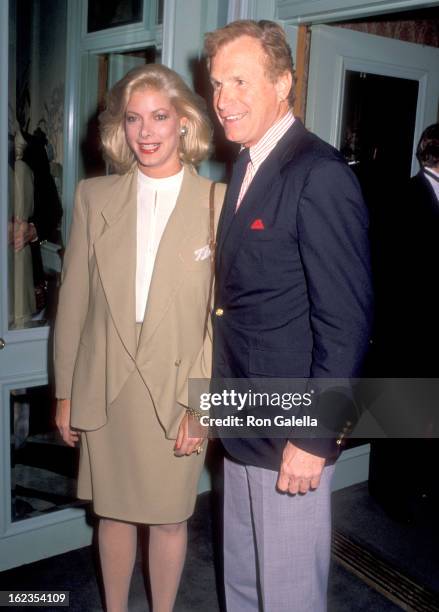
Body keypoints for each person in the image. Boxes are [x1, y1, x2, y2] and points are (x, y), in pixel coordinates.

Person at [204, 20, 373, 611]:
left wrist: (315, 435)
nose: (224, 99)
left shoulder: (319, 174)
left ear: (284, 83)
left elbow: (346, 321)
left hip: (291, 432)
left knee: (290, 595)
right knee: (245, 586)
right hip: (244, 419)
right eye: (218, 83)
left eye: (241, 81)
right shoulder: (246, 164)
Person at [54, 63, 225, 612]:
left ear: (184, 123)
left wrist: (203, 404)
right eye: (133, 119)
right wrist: (65, 393)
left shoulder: (217, 203)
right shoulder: (94, 196)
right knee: (114, 512)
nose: (146, 132)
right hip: (108, 384)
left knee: (172, 518)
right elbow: (74, 301)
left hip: (178, 387)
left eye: (159, 117)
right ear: (120, 128)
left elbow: (218, 318)